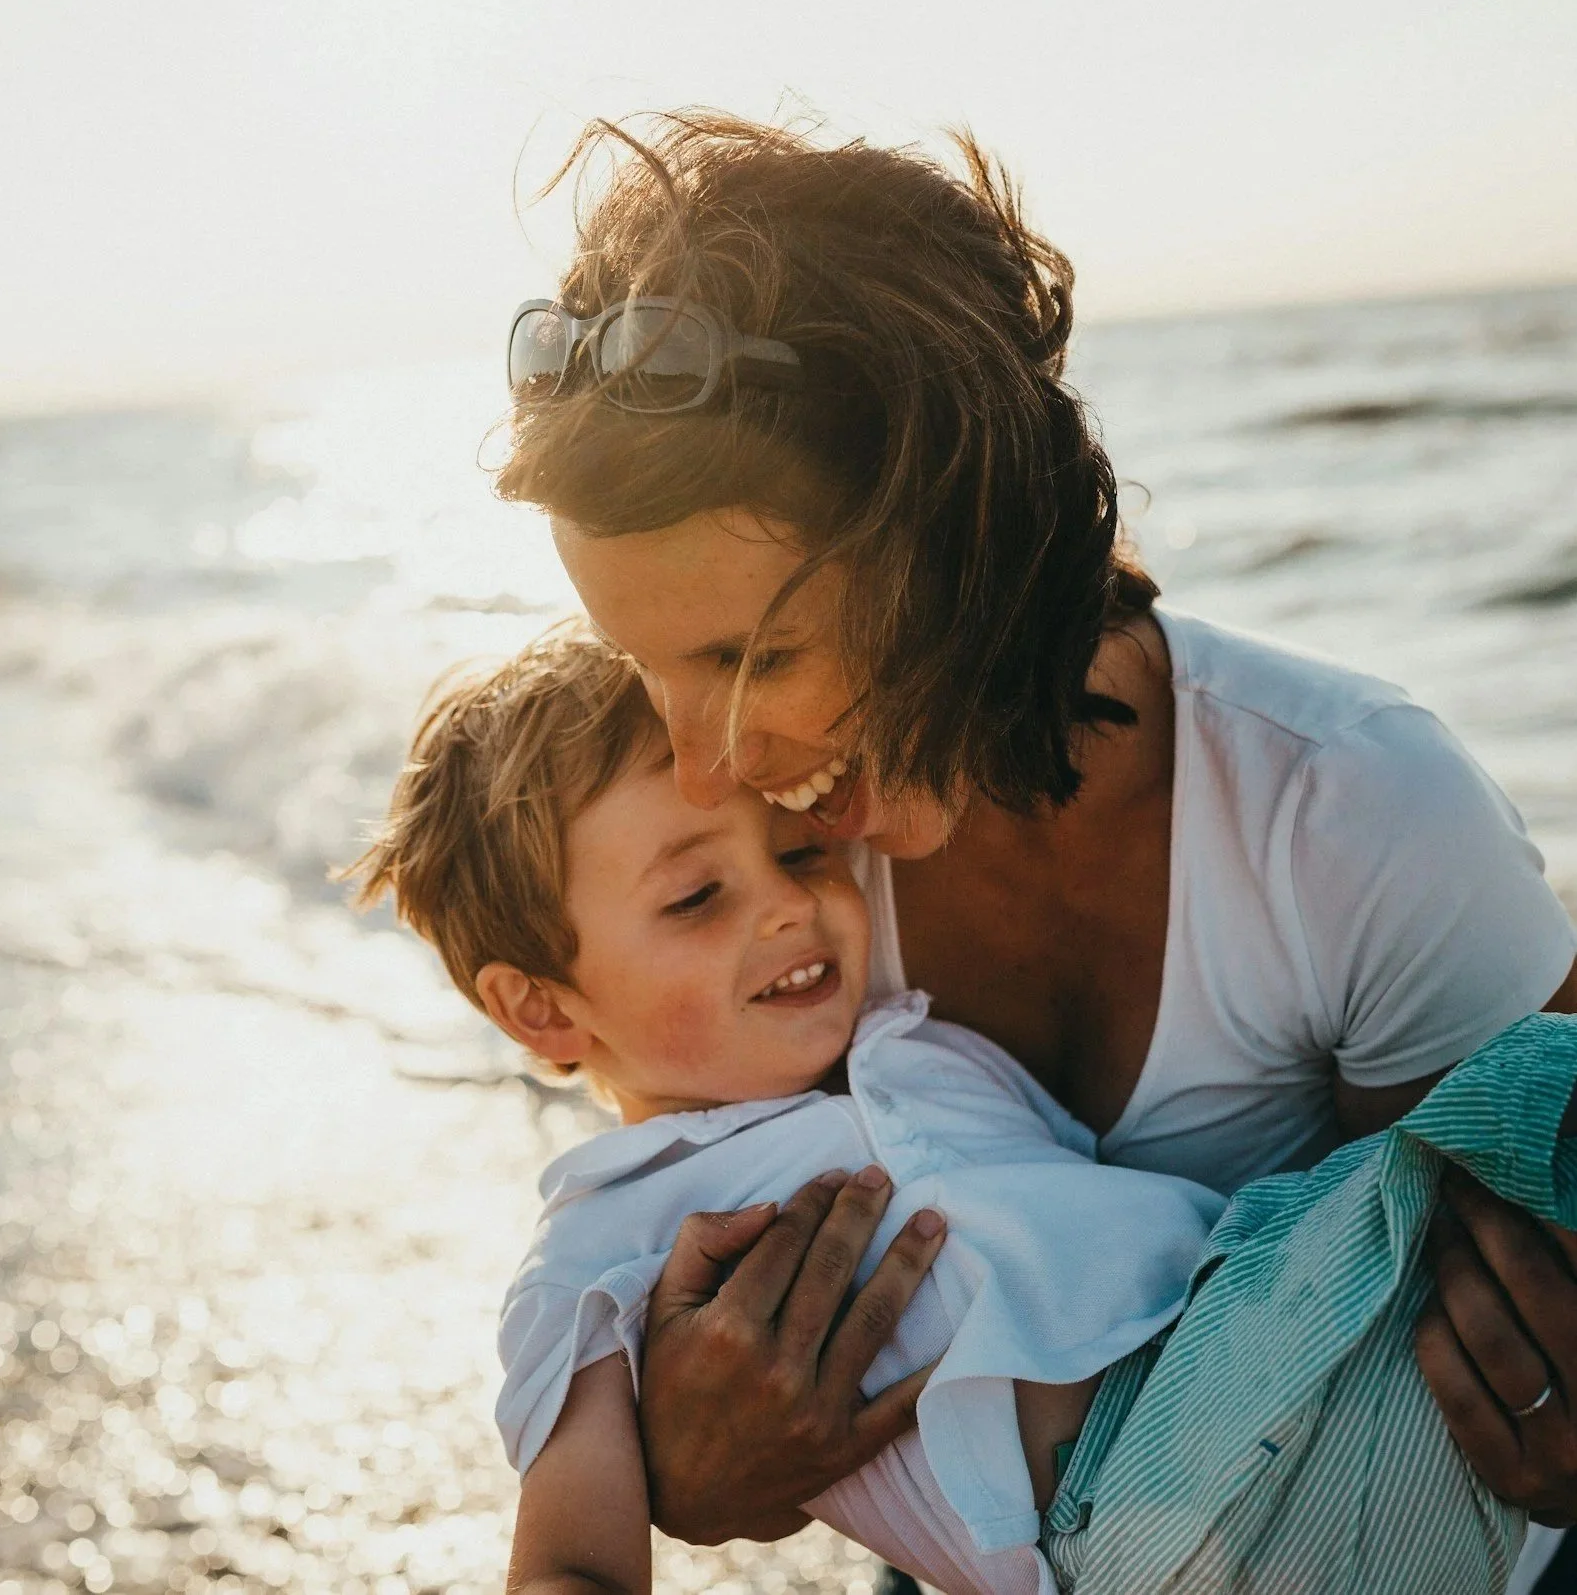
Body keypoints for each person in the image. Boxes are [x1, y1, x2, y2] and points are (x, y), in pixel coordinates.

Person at [490, 111, 1577, 1583]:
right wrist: (694, 1462)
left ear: (961, 541)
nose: (704, 759)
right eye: (645, 667)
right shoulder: (767, 878)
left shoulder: (1350, 811)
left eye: (755, 652)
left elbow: (1485, 1276)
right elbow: (689, 1233)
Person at [348, 624, 1577, 1595]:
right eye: (693, 899)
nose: (787, 906)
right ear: (541, 1009)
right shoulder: (605, 1243)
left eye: (797, 853)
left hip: (1280, 1372)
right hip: (1131, 1504)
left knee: (1518, 1112)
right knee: (1532, 1092)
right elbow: (569, 1559)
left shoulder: (917, 1040)